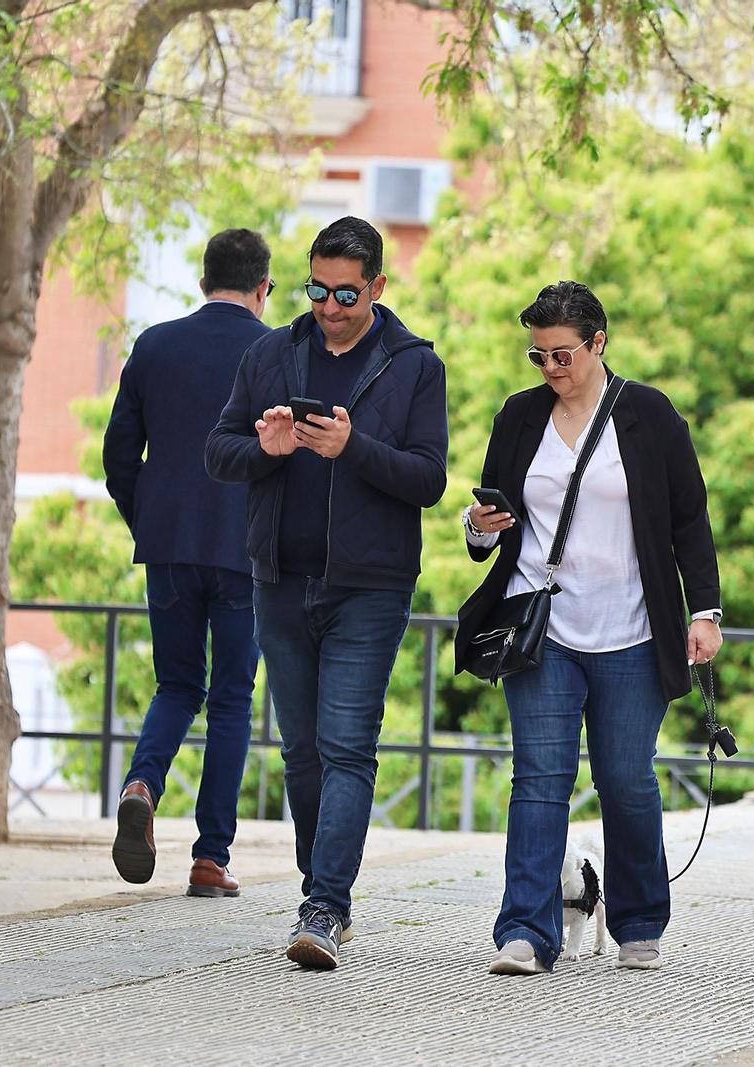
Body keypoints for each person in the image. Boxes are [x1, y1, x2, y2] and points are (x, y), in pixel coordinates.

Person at [454, 280, 723, 976]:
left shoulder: (649, 415)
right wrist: (477, 530)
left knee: (627, 777)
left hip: (633, 629)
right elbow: (495, 524)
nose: (550, 369)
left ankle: (638, 920)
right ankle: (524, 932)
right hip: (542, 629)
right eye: (538, 355)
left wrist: (705, 611)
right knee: (539, 777)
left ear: (598, 342)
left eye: (562, 355)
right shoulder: (518, 418)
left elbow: (690, 521)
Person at [205, 216, 447, 970]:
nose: (331, 305)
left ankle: (326, 904)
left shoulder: (412, 365)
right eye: (318, 289)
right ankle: (323, 887)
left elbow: (429, 478)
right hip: (278, 580)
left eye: (347, 292)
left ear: (377, 286)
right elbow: (219, 452)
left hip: (369, 589)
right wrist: (267, 448)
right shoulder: (270, 352)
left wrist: (354, 448)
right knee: (302, 752)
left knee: (347, 746)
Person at [102, 228, 274, 896]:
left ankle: (142, 782)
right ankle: (210, 856)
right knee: (233, 696)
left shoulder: (154, 344)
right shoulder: (273, 349)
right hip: (245, 550)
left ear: (203, 281)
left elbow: (120, 456)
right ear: (263, 289)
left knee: (177, 685)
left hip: (168, 544)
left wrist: (147, 519)